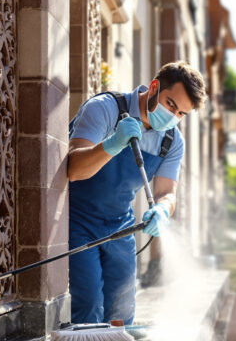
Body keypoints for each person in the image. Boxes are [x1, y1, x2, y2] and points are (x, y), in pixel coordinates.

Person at [66, 61, 206, 325]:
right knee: (89, 304)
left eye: (181, 114)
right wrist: (112, 144)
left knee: (122, 311)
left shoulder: (171, 142)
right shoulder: (104, 109)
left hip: (121, 227)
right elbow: (74, 169)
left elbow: (167, 192)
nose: (172, 117)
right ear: (154, 88)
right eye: (170, 104)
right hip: (77, 222)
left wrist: (163, 209)